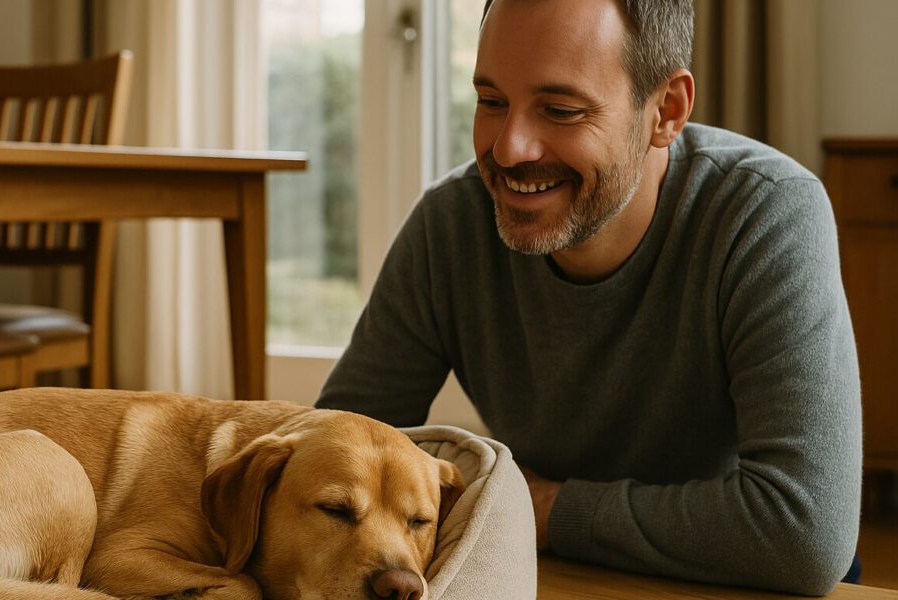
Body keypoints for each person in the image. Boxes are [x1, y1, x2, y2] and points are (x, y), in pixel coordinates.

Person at [315, 0, 862, 595]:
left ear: (666, 111)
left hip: (741, 582)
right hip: (548, 573)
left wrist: (543, 510)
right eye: (492, 101)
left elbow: (804, 533)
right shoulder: (449, 224)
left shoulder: (767, 212)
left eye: (561, 110)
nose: (509, 149)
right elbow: (327, 451)